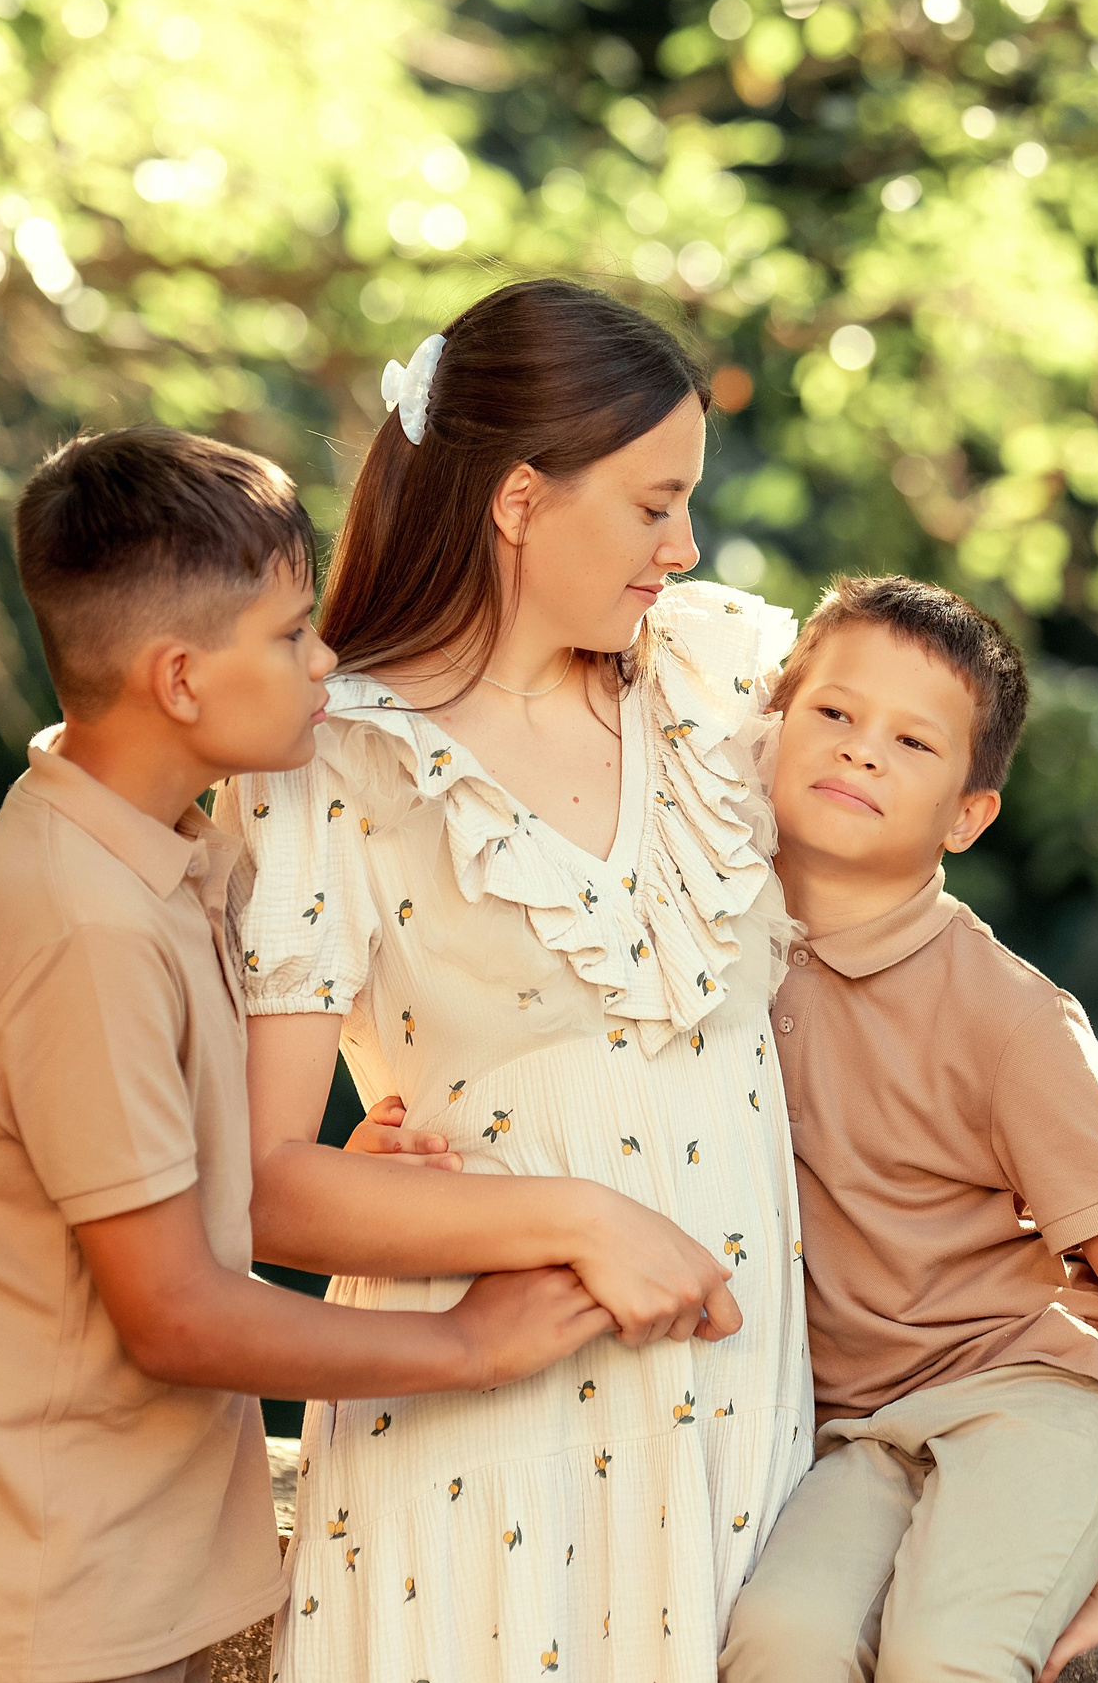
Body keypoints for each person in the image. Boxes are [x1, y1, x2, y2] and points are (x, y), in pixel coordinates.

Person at [0, 428, 613, 1683]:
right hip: (36, 1608)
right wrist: (470, 1346)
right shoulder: (79, 921)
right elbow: (175, 1315)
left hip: (108, 1580)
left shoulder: (156, 857)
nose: (325, 659)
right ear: (180, 677)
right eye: (291, 633)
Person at [218, 278, 813, 1683]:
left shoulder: (727, 682)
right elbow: (257, 1178)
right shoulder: (332, 762)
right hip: (481, 1437)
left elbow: (904, 958)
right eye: (653, 503)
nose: (683, 546)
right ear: (521, 499)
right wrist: (576, 1216)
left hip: (739, 1416)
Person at [715, 576, 1098, 1683]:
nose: (860, 752)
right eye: (835, 714)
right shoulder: (703, 940)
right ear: (771, 723)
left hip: (1025, 1398)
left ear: (966, 814)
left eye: (911, 739)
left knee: (947, 1653)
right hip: (859, 1429)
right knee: (775, 1643)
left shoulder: (1008, 1015)